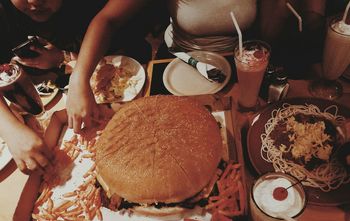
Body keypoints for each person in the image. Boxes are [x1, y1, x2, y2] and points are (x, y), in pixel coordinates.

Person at [66, 0, 257, 132]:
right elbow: (108, 19)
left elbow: (268, 34)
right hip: (178, 63)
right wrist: (78, 80)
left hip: (242, 65)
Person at [0, 0, 105, 174]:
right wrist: (8, 128)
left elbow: (107, 21)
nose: (34, 1)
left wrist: (65, 60)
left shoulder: (88, 7)